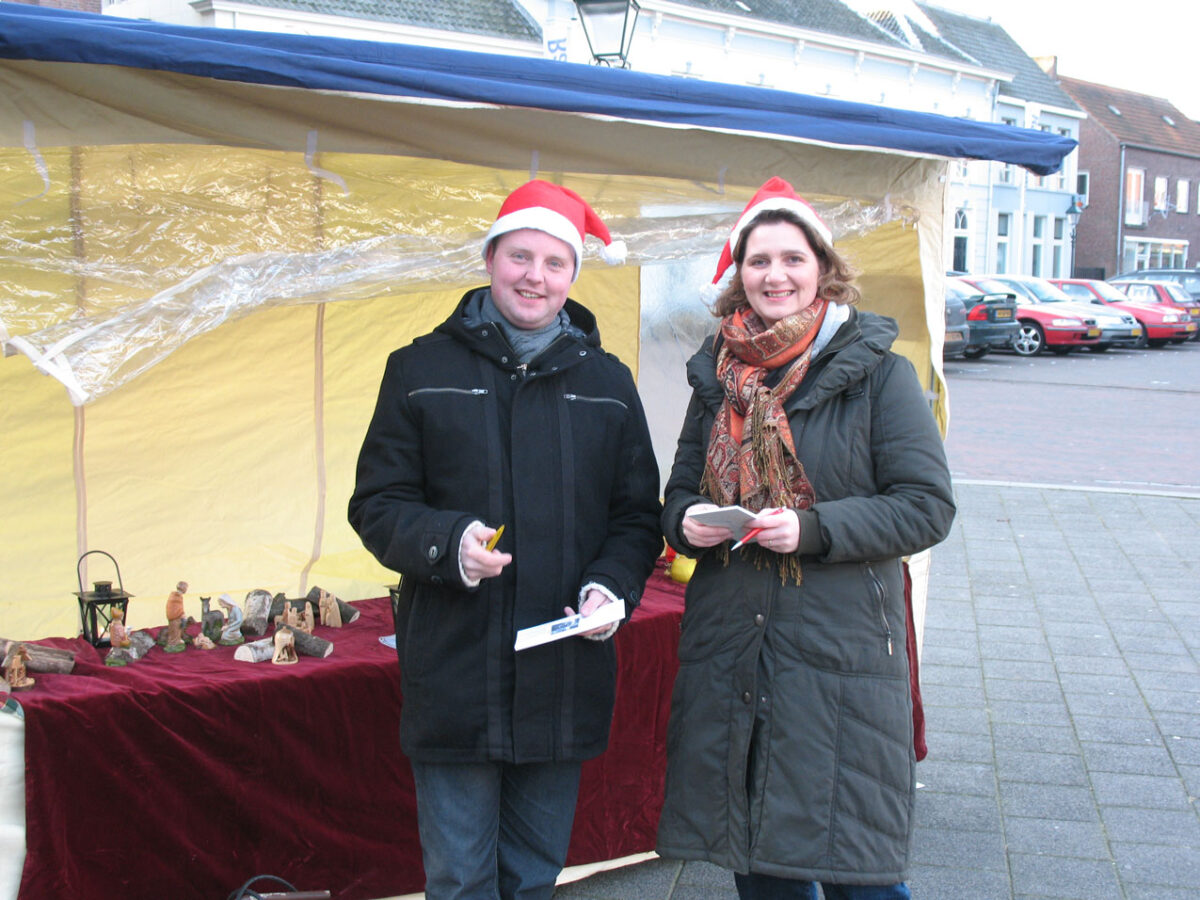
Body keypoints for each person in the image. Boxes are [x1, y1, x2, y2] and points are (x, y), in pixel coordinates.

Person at [348, 179, 662, 900]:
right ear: (490, 259)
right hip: (456, 671)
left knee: (530, 876)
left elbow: (635, 518)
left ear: (572, 277)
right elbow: (378, 502)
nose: (535, 276)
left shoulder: (608, 383)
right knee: (459, 878)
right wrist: (446, 543)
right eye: (520, 256)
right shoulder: (419, 369)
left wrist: (610, 586)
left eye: (555, 264)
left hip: (563, 675)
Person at [655, 177, 955, 899]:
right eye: (759, 261)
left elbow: (926, 507)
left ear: (822, 267)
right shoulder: (717, 375)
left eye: (793, 258)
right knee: (760, 864)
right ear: (739, 274)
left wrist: (813, 530)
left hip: (838, 655)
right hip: (733, 652)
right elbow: (678, 492)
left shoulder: (879, 374)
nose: (775, 275)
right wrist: (686, 524)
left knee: (858, 870)